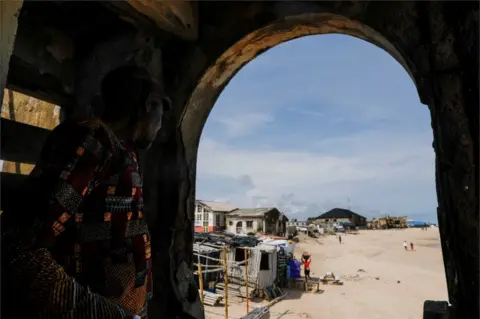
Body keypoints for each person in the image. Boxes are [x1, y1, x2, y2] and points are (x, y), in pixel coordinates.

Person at [1, 65, 171, 318]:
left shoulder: (123, 152)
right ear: (149, 104)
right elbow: (24, 243)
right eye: (161, 113)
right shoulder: (93, 140)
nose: (159, 127)